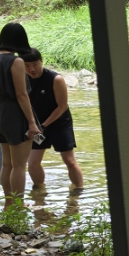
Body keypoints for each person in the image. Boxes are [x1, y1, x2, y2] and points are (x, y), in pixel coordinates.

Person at [0, 23, 39, 208]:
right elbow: (21, 94)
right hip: (14, 113)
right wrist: (32, 122)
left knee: (7, 163)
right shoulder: (15, 61)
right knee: (19, 165)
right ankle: (19, 204)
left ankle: (9, 203)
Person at [22, 48, 84, 191]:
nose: (32, 69)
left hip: (59, 124)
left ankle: (79, 190)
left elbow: (62, 106)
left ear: (42, 62)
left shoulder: (56, 79)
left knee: (69, 160)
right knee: (32, 162)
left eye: (35, 64)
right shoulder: (23, 81)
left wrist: (43, 125)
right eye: (27, 66)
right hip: (37, 126)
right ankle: (40, 191)